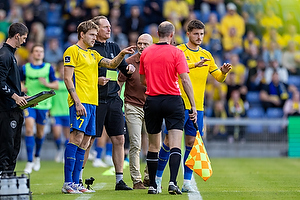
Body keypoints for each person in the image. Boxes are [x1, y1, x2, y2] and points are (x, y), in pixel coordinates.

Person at [155, 19, 232, 193]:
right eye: (196, 33)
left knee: (191, 142)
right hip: (177, 104)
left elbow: (218, 77)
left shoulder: (207, 54)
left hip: (198, 107)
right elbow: (171, 69)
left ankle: (187, 181)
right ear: (188, 33)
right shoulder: (178, 51)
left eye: (202, 34)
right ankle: (158, 178)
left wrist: (224, 72)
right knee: (168, 141)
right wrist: (192, 65)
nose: (199, 37)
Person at [62, 20, 135, 194]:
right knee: (76, 139)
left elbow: (111, 64)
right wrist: (77, 101)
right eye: (92, 35)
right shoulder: (72, 51)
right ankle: (68, 183)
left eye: (96, 35)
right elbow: (67, 78)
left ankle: (76, 183)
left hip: (93, 103)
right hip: (81, 102)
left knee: (86, 141)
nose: (95, 38)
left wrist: (122, 54)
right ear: (82, 34)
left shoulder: (93, 55)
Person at [139, 21, 197, 195]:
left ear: (158, 33)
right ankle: (172, 182)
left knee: (153, 145)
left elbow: (142, 80)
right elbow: (185, 79)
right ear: (172, 35)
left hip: (153, 100)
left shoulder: (146, 52)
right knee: (175, 145)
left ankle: (152, 185)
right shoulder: (177, 52)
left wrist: (155, 84)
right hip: (172, 100)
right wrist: (193, 105)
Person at [118, 33, 153, 189]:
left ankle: (149, 177)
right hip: (133, 105)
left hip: (152, 106)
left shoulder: (155, 61)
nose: (141, 46)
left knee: (153, 144)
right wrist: (117, 102)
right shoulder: (129, 62)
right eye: (139, 43)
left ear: (152, 45)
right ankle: (137, 180)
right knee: (136, 143)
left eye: (145, 43)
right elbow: (119, 82)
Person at [21, 44, 59, 174]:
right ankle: (30, 161)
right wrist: (22, 87)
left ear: (43, 54)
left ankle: (37, 156)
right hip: (29, 103)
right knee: (29, 129)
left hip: (43, 105)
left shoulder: (48, 68)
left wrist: (46, 84)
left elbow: (56, 85)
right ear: (32, 53)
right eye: (36, 51)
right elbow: (20, 82)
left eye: (41, 51)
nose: (38, 53)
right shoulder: (25, 68)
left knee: (40, 133)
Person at [0, 22, 28, 175]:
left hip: (13, 109)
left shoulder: (10, 55)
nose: (24, 41)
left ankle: (8, 180)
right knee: (7, 147)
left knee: (13, 148)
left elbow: (9, 84)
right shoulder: (4, 55)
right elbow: (0, 82)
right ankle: (4, 180)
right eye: (23, 38)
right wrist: (15, 97)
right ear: (17, 36)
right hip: (6, 110)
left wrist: (23, 97)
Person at [50, 61, 70, 163]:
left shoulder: (71, 80)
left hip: (67, 112)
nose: (63, 70)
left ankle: (64, 154)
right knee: (56, 134)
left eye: (64, 68)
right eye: (61, 68)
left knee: (68, 136)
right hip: (55, 112)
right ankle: (59, 149)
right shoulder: (54, 80)